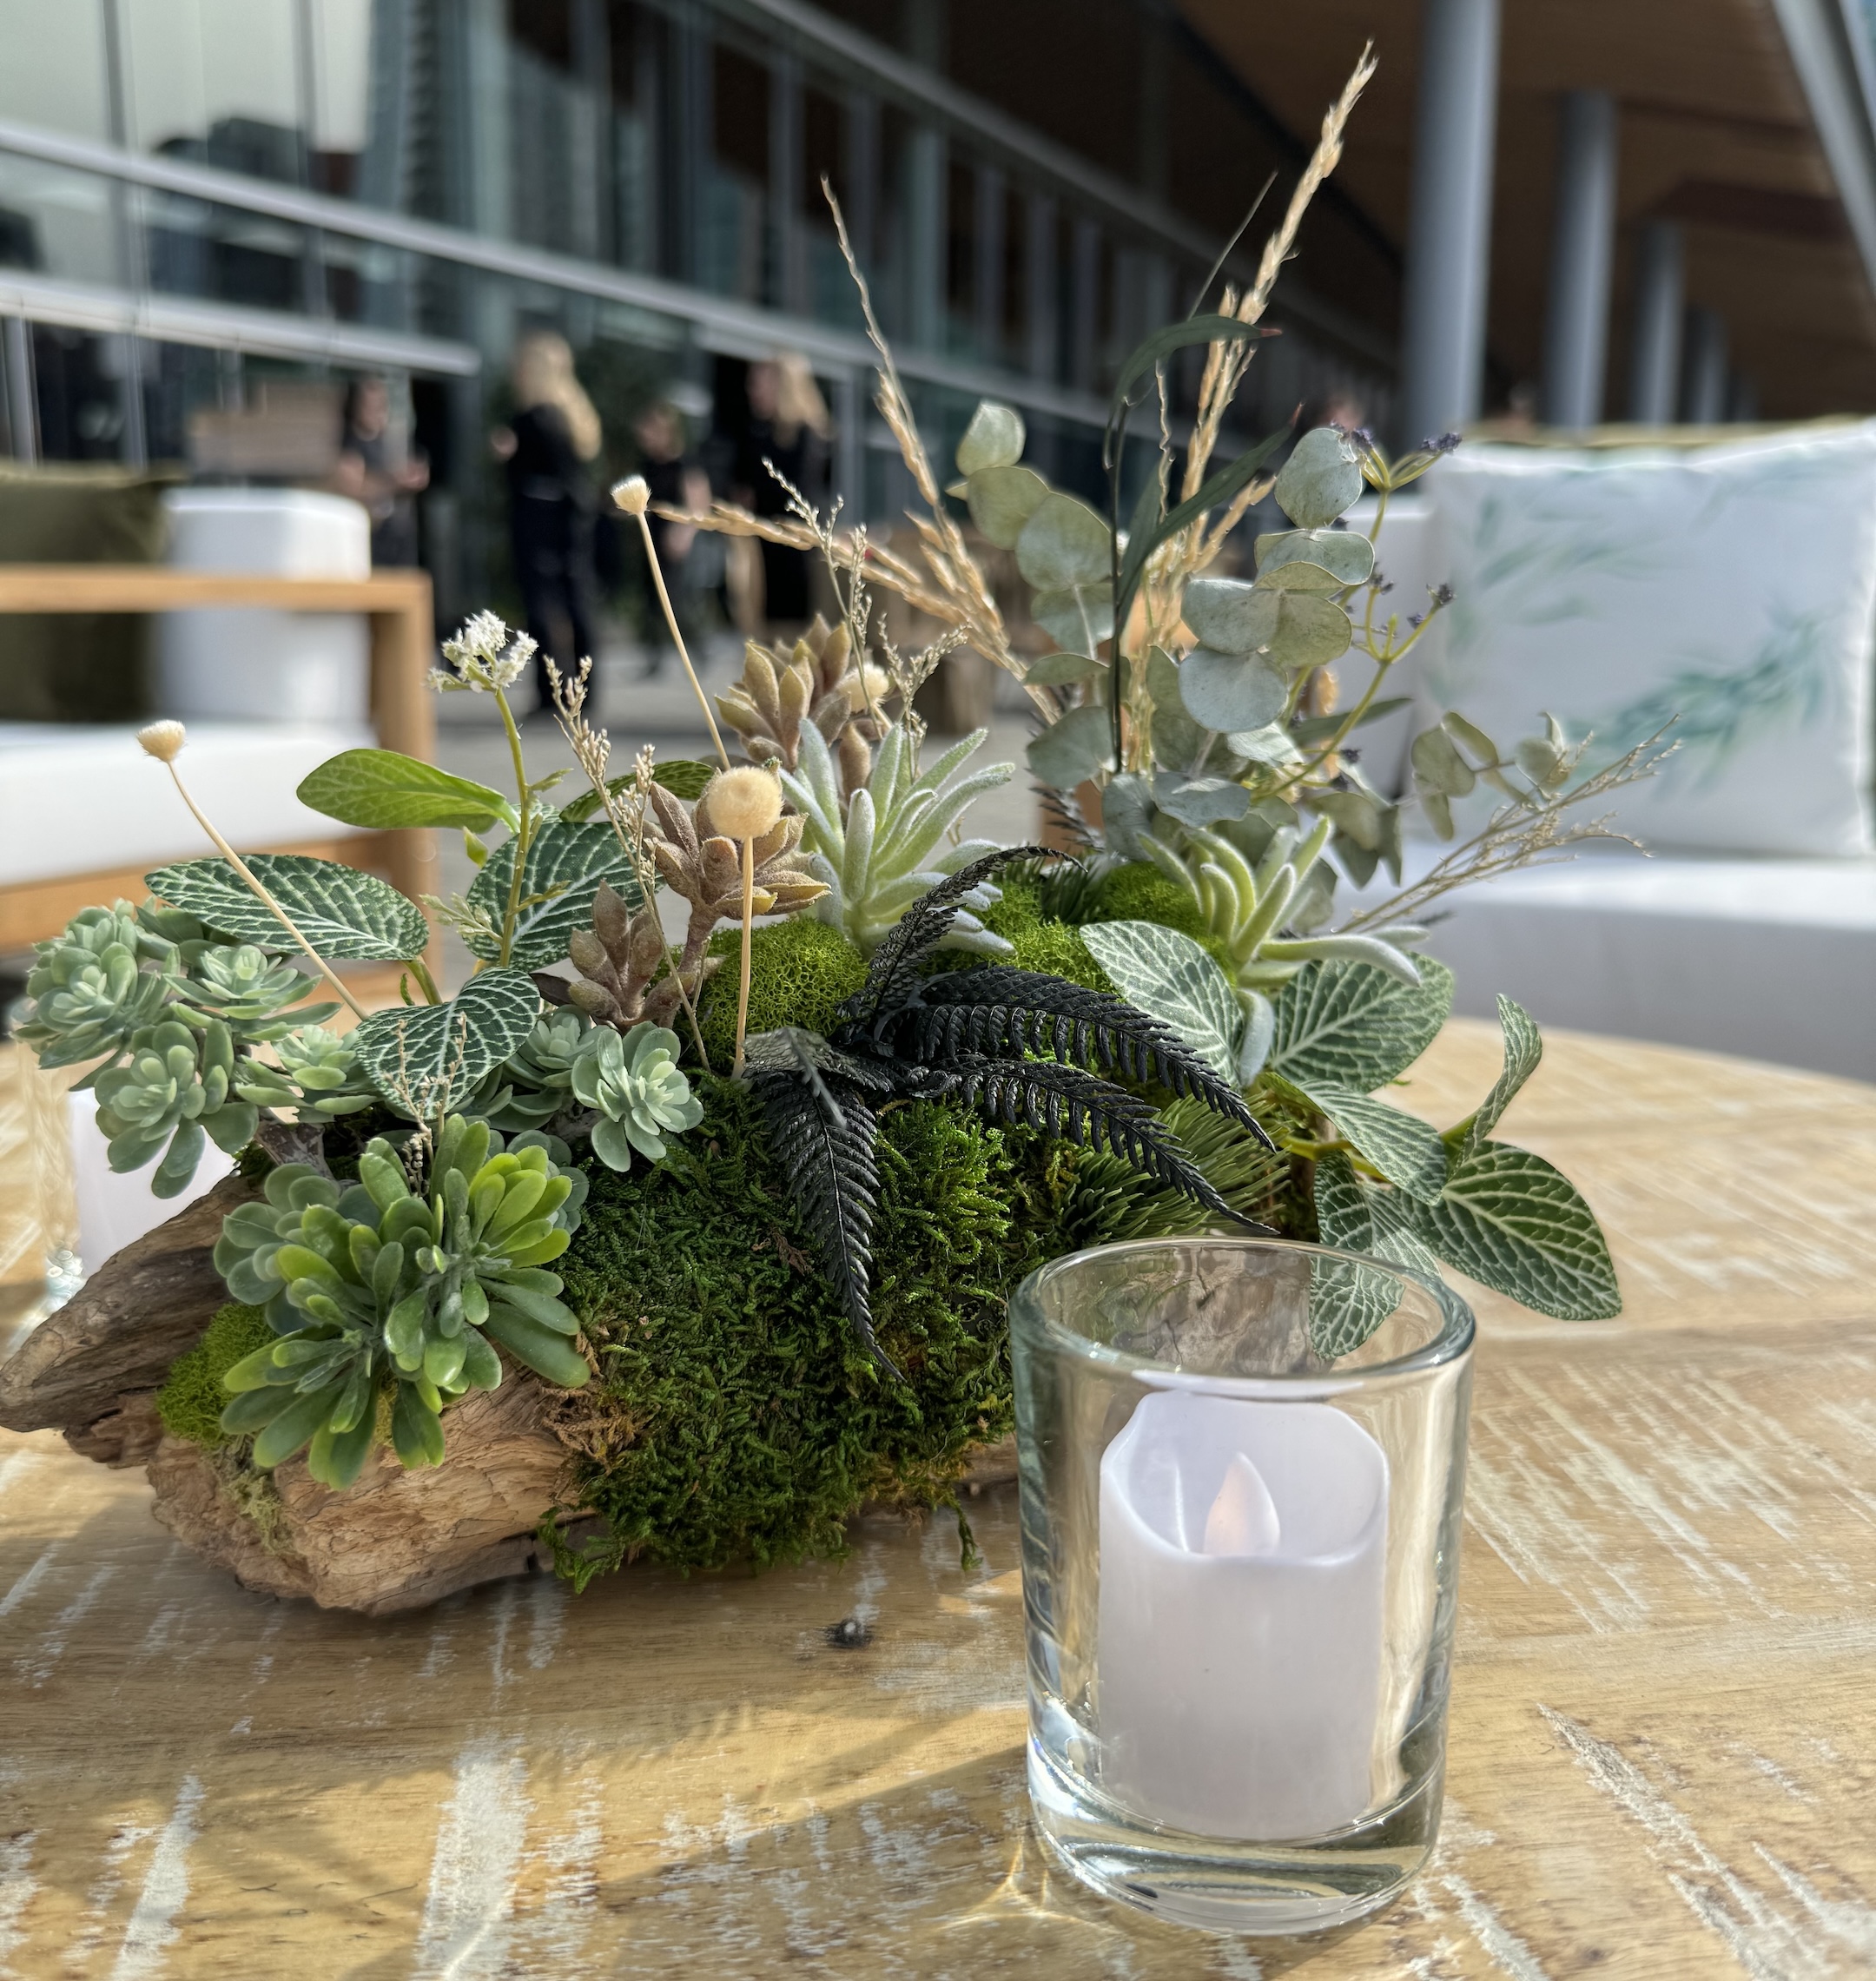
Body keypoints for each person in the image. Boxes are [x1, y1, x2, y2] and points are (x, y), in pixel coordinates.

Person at [491, 330, 603, 707]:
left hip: (536, 518)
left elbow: (517, 476)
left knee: (541, 606)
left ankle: (548, 689)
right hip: (570, 519)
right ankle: (587, 687)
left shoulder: (529, 419)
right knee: (576, 603)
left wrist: (508, 455)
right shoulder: (574, 416)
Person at [732, 353, 830, 638]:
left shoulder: (808, 436)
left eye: (759, 383)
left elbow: (792, 496)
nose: (752, 390)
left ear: (783, 386)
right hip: (765, 555)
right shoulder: (757, 433)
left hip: (797, 557)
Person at [631, 400, 715, 677]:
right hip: (653, 537)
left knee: (680, 601)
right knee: (652, 599)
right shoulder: (648, 464)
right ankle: (654, 657)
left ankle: (700, 650)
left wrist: (684, 534)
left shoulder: (685, 463)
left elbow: (699, 504)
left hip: (678, 540)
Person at [330, 375, 428, 567]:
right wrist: (394, 483)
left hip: (397, 538)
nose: (377, 412)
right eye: (370, 405)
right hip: (370, 540)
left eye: (380, 405)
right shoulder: (351, 445)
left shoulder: (388, 441)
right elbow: (353, 488)